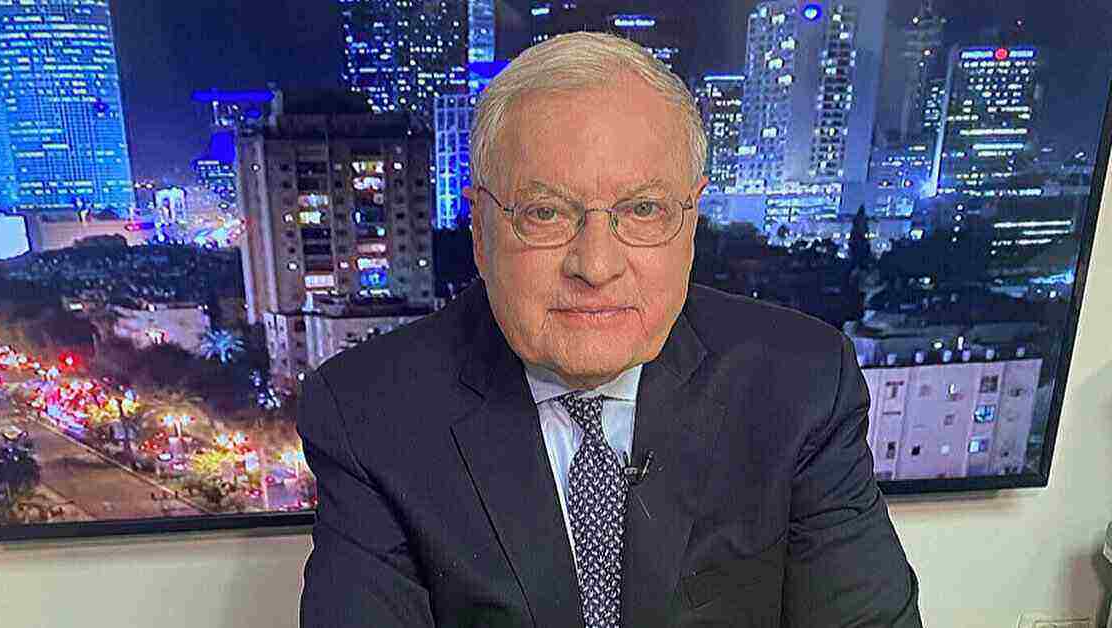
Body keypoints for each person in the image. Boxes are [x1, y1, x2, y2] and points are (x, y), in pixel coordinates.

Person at [297, 31, 922, 628]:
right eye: (545, 213)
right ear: (480, 229)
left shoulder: (803, 382)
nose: (596, 266)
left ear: (691, 222)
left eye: (644, 209)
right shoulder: (366, 415)